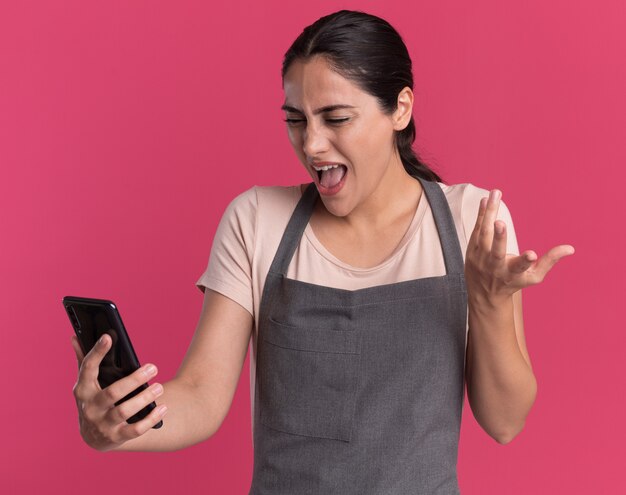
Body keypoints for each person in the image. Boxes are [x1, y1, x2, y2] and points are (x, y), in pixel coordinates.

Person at [70, 10, 574, 494]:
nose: (311, 144)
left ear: (400, 108)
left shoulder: (474, 222)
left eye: (336, 118)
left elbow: (506, 422)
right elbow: (201, 396)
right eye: (296, 120)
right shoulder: (256, 220)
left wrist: (487, 301)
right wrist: (122, 422)